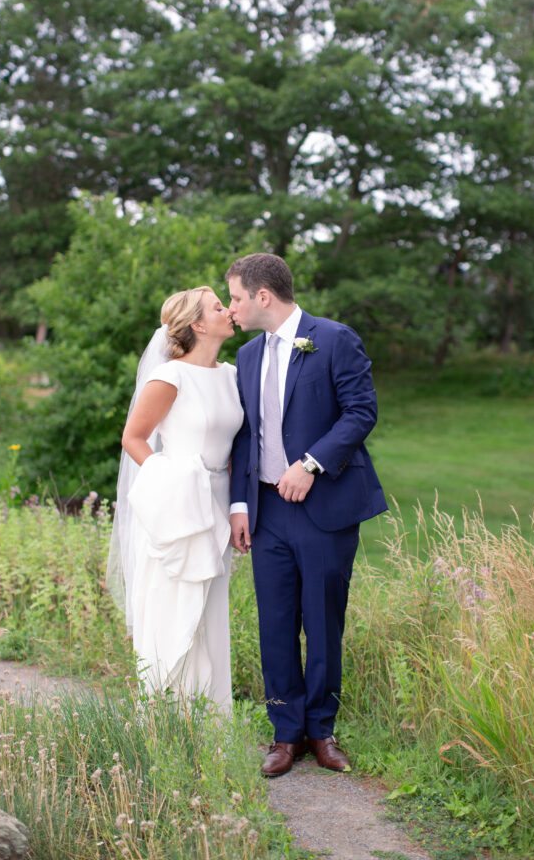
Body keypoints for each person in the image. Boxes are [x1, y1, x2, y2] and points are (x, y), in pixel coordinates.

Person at [226, 253, 387, 776]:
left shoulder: (335, 338)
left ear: (263, 297)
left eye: (236, 298)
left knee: (322, 623)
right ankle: (284, 734)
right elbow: (245, 435)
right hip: (267, 509)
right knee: (274, 624)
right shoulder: (248, 356)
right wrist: (240, 504)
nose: (232, 308)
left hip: (325, 507)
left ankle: (322, 730)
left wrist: (311, 464)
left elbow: (362, 411)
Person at [106, 286, 242, 712]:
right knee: (175, 613)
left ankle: (212, 724)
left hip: (219, 503)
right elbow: (134, 437)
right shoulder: (170, 376)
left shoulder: (232, 374)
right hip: (178, 508)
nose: (229, 310)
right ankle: (168, 718)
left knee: (210, 613)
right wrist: (170, 481)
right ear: (198, 324)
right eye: (220, 306)